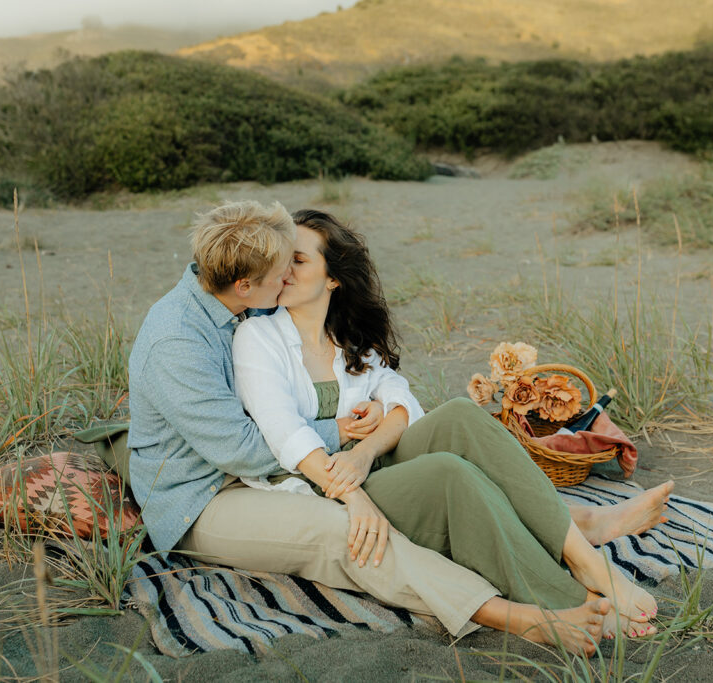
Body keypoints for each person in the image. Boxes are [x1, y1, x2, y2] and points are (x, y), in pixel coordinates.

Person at [127, 200, 670, 656]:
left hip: (300, 463)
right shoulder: (195, 337)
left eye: (294, 262)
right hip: (208, 494)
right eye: (280, 271)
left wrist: (366, 443)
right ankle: (537, 607)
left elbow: (393, 394)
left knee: (457, 417)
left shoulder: (248, 302)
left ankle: (586, 554)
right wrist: (347, 451)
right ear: (247, 285)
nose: (286, 276)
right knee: (359, 527)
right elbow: (246, 449)